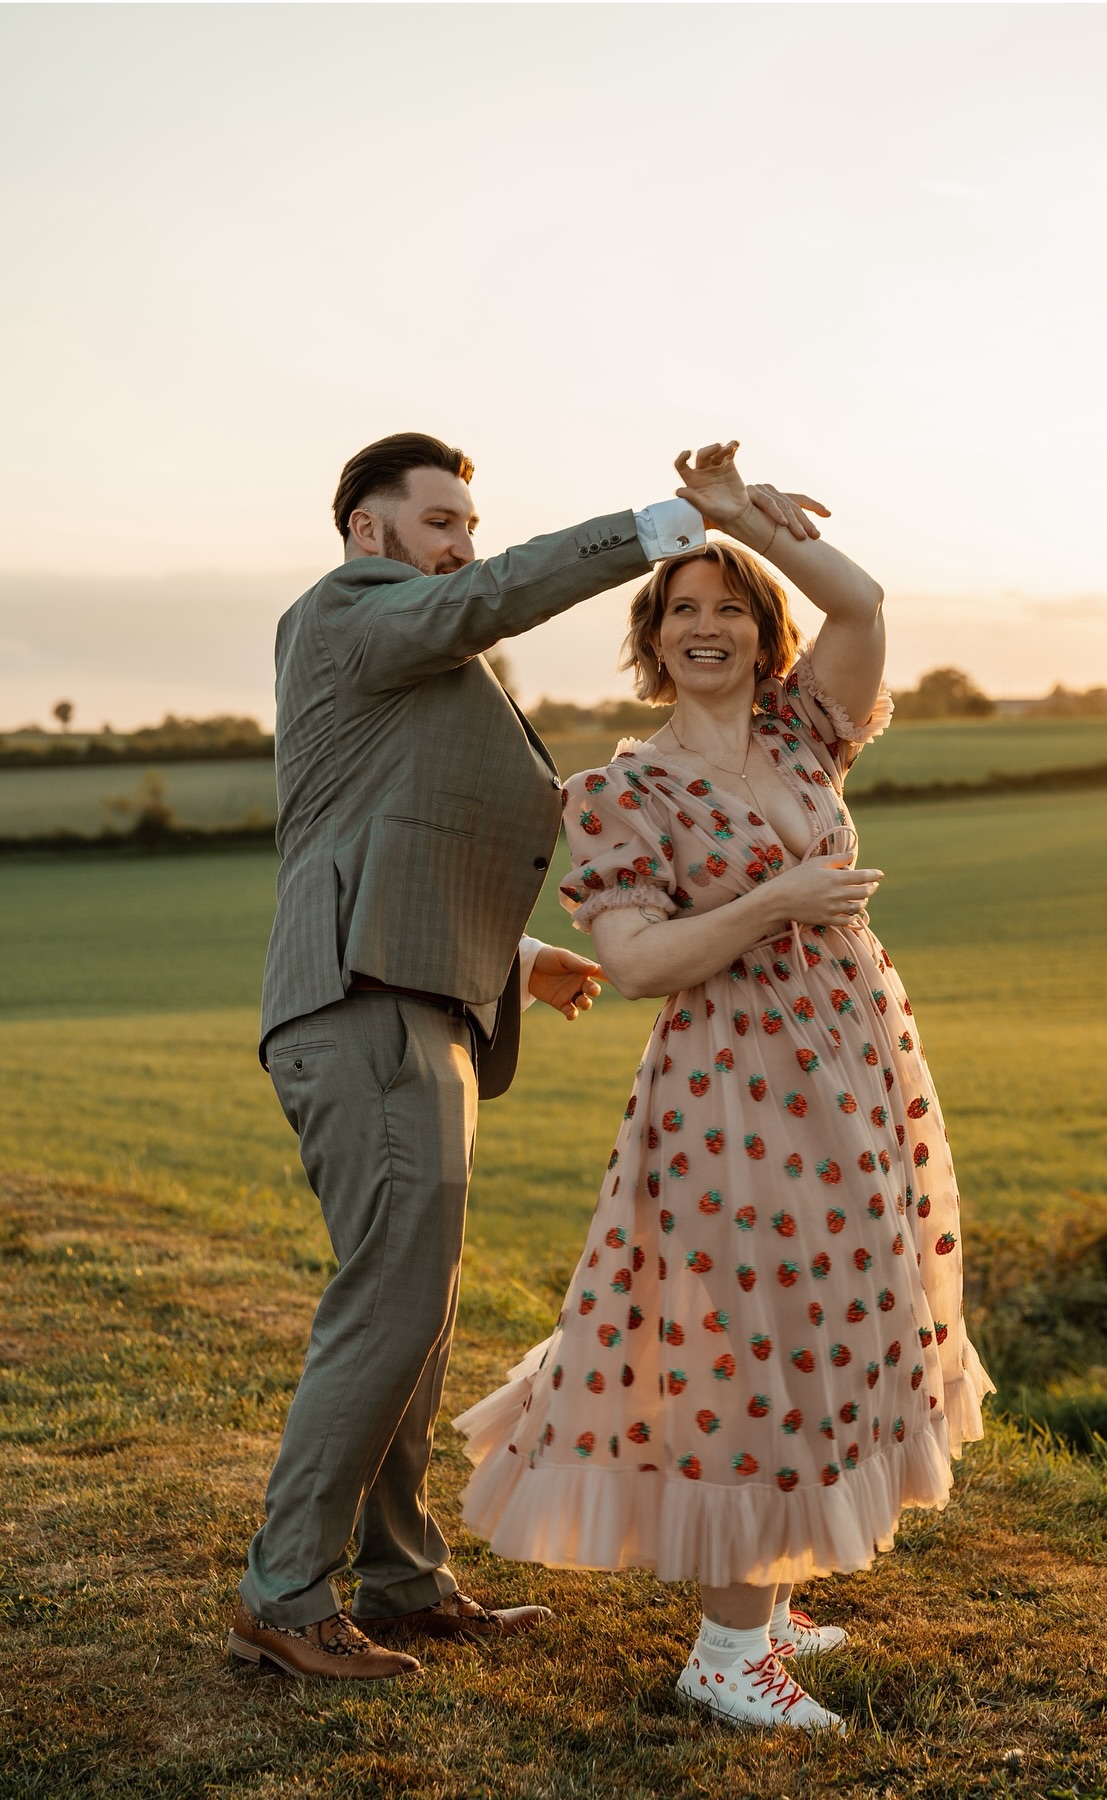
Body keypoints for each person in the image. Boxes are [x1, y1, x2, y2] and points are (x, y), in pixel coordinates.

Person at [229, 432, 821, 1682]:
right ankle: (285, 1593)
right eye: (439, 522)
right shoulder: (350, 612)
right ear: (368, 531)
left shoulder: (405, 663)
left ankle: (399, 1578)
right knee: (392, 1303)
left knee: (414, 1307)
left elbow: (399, 832)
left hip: (414, 999)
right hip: (367, 1008)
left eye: (469, 525)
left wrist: (521, 952)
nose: (464, 546)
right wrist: (670, 524)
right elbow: (488, 600)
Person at [454, 443, 993, 1731]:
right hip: (735, 1086)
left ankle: (768, 1591)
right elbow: (639, 963)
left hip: (857, 1062)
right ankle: (725, 1651)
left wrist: (742, 516)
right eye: (682, 609)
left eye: (731, 608)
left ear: (763, 636)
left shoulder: (807, 735)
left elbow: (861, 602)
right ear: (652, 641)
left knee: (840, 1311)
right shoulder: (619, 792)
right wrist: (778, 901)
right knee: (755, 1336)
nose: (707, 625)